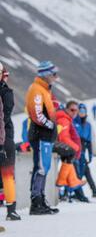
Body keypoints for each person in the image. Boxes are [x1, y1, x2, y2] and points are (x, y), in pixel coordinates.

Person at [26, 61, 60, 215]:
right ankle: (36, 202)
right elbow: (36, 114)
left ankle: (40, 199)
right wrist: (50, 125)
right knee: (40, 167)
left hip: (45, 136)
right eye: (53, 74)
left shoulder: (44, 89)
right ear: (45, 75)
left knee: (44, 167)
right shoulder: (37, 90)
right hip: (40, 135)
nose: (56, 77)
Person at [54, 101, 89, 202]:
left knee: (74, 167)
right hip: (67, 149)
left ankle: (73, 183)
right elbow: (63, 137)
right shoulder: (64, 119)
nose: (75, 112)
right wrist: (76, 147)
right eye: (72, 110)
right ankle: (66, 183)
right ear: (66, 109)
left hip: (69, 150)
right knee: (71, 158)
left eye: (76, 111)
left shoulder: (67, 119)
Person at [0, 63, 21, 220]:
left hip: (5, 136)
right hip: (5, 136)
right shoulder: (6, 92)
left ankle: (11, 208)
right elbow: (5, 116)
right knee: (7, 174)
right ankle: (11, 209)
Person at [74, 103, 96, 197]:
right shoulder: (74, 122)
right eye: (80, 111)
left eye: (84, 111)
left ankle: (94, 190)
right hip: (75, 151)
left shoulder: (88, 125)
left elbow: (90, 140)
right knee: (79, 172)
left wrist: (90, 154)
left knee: (86, 171)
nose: (82, 113)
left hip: (83, 151)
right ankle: (75, 192)